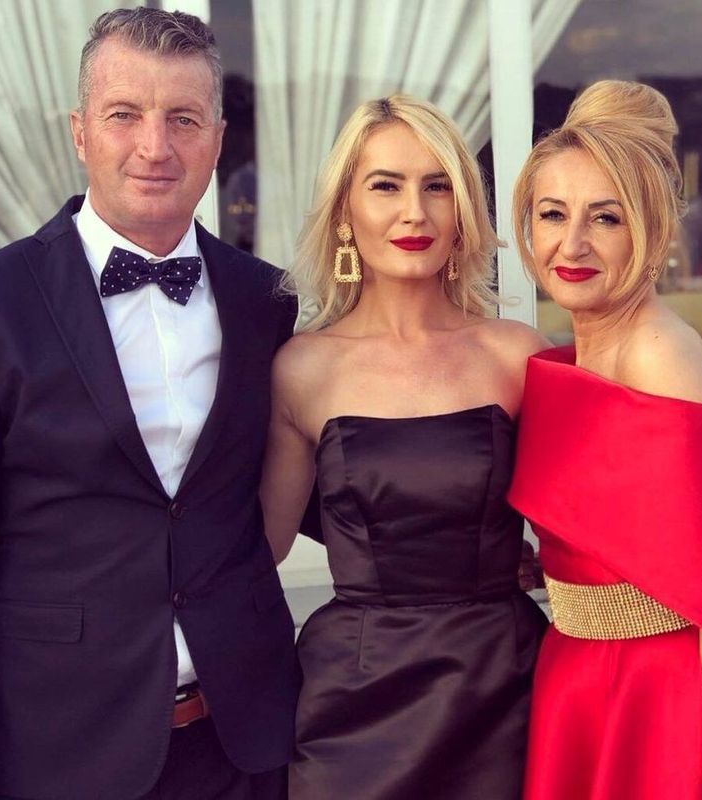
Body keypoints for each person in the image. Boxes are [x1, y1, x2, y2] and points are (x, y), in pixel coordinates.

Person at [0, 8, 298, 800]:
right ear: (80, 132)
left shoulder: (265, 301)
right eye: (124, 114)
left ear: (217, 140)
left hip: (241, 741)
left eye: (182, 119)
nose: (155, 147)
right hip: (59, 744)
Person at [259, 94, 548, 800]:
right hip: (352, 708)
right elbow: (255, 551)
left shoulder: (517, 355)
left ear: (464, 210)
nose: (414, 212)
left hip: (506, 692)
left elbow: (595, 532)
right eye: (385, 186)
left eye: (437, 186)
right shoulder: (301, 368)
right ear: (345, 212)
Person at [508, 79, 702, 800]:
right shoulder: (574, 352)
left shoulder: (663, 356)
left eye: (606, 218)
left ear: (651, 229)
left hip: (666, 694)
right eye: (552, 214)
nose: (571, 244)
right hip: (578, 676)